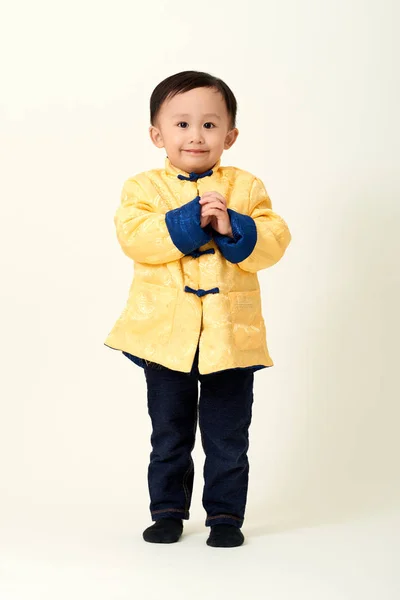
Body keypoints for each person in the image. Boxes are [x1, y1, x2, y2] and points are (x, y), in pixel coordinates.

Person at [104, 71, 292, 547]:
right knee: (169, 434)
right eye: (182, 124)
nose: (195, 135)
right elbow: (137, 238)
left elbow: (272, 243)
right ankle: (167, 511)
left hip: (231, 339)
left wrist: (232, 226)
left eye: (210, 125)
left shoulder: (246, 187)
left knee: (228, 437)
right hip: (165, 339)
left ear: (229, 135)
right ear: (157, 134)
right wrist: (192, 218)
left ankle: (226, 516)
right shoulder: (142, 189)